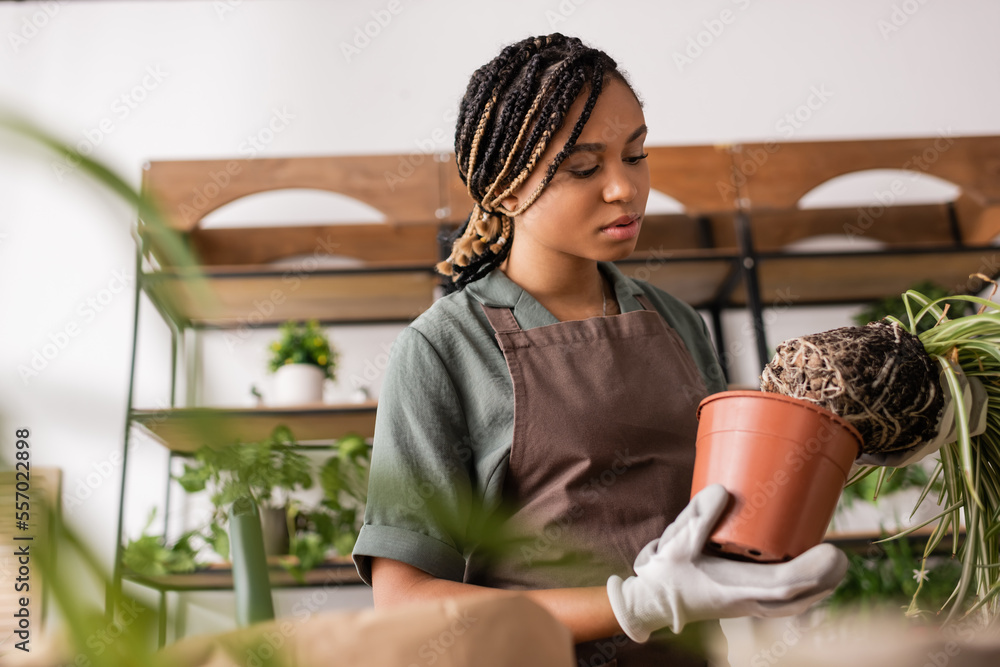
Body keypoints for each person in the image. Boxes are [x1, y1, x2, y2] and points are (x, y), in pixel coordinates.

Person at [352, 33, 848, 665]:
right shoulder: (444, 350)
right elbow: (404, 603)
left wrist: (868, 436)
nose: (624, 189)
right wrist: (634, 605)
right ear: (504, 191)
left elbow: (726, 512)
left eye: (635, 155)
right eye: (584, 169)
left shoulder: (674, 321)